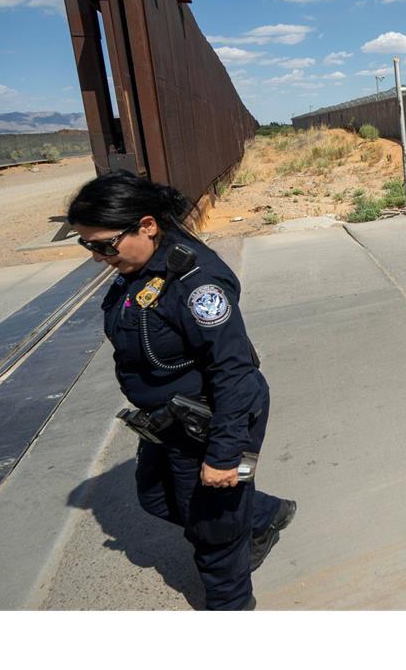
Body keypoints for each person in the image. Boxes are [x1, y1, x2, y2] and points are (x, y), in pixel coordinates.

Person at [68, 169, 295, 610]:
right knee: (155, 498)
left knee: (215, 530)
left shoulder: (196, 284)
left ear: (147, 226)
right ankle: (265, 513)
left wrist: (225, 455)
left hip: (215, 418)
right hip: (172, 420)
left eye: (103, 244)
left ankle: (230, 606)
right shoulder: (138, 268)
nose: (97, 256)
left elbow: (234, 372)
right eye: (87, 246)